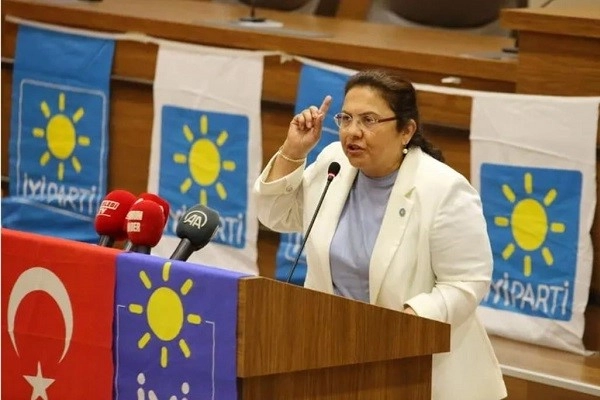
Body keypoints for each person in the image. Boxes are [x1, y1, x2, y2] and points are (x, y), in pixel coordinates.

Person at [253, 69, 507, 400]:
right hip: (334, 359)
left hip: (421, 371)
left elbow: (467, 282)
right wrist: (293, 150)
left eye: (369, 120)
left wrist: (405, 324)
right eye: (346, 119)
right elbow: (275, 215)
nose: (352, 132)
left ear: (406, 131)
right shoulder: (334, 164)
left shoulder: (444, 190)